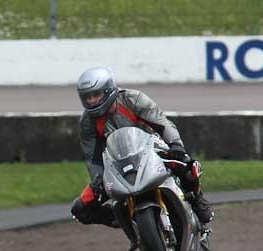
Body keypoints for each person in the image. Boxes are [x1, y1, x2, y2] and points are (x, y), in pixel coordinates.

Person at [70, 66, 213, 227]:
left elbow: (162, 124)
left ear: (109, 90)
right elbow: (92, 156)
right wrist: (97, 177)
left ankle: (197, 199)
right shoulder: (87, 122)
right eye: (87, 97)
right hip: (118, 164)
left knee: (186, 165)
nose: (91, 101)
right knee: (80, 209)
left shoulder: (133, 99)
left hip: (154, 150)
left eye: (96, 95)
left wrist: (175, 145)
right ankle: (123, 221)